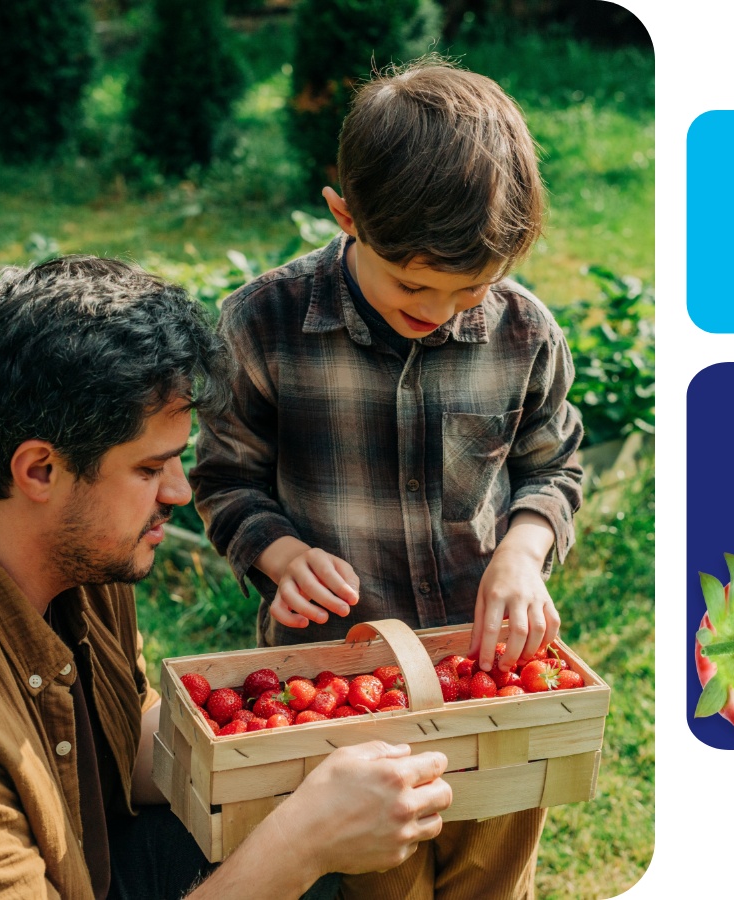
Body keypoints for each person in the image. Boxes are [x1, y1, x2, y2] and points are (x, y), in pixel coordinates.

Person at [0, 257, 452, 900]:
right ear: (39, 471)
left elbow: (121, 742)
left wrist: (290, 743)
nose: (179, 489)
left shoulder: (58, 538)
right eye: (150, 468)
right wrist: (300, 844)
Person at [190, 58, 584, 899]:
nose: (440, 309)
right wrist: (278, 553)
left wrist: (522, 549)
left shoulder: (521, 332)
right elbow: (224, 477)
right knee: (375, 876)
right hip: (337, 684)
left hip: (488, 669)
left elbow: (552, 464)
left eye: (470, 288)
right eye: (413, 284)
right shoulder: (264, 325)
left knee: (493, 854)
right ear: (344, 214)